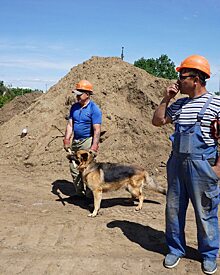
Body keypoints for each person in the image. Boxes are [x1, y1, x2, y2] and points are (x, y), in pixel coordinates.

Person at [152, 55, 219, 274]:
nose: (178, 81)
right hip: (177, 164)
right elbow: (158, 121)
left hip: (203, 166)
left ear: (197, 79)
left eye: (182, 77)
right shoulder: (179, 104)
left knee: (205, 212)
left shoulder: (216, 104)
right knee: (173, 210)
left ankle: (209, 254)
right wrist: (166, 99)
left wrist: (217, 168)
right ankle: (175, 249)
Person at [63, 79, 102, 199]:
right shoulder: (74, 107)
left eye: (79, 94)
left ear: (88, 94)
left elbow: (97, 130)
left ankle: (90, 197)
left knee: (88, 170)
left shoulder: (94, 109)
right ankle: (80, 194)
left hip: (87, 141)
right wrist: (67, 139)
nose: (77, 97)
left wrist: (94, 146)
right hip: (76, 141)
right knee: (74, 168)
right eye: (76, 94)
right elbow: (70, 124)